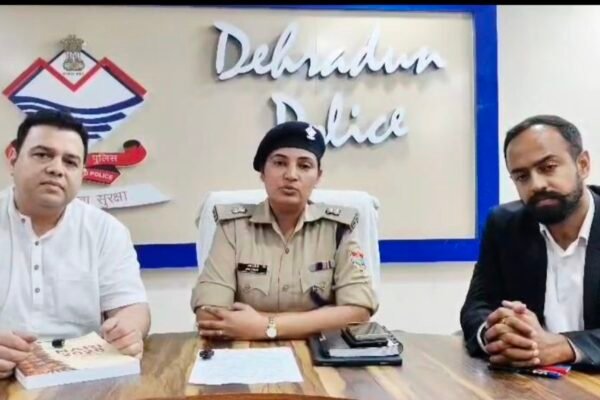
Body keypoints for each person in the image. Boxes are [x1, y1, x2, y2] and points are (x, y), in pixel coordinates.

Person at [191, 121, 378, 340]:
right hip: (245, 352)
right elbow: (209, 316)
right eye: (279, 163)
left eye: (304, 166)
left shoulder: (338, 229)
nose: (291, 175)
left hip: (319, 353)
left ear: (318, 176)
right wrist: (322, 319)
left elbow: (358, 313)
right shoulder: (232, 228)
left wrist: (264, 326)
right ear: (262, 172)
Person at [0, 110, 150, 379]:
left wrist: (129, 331)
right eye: (42, 155)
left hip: (82, 378)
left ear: (81, 174)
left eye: (70, 162)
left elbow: (131, 307)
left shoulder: (106, 230)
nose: (56, 169)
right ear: (13, 160)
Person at [460, 114, 600, 369]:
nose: (537, 185)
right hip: (530, 383)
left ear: (582, 165)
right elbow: (477, 306)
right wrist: (498, 334)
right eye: (522, 176)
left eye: (548, 167)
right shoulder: (504, 225)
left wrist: (565, 347)